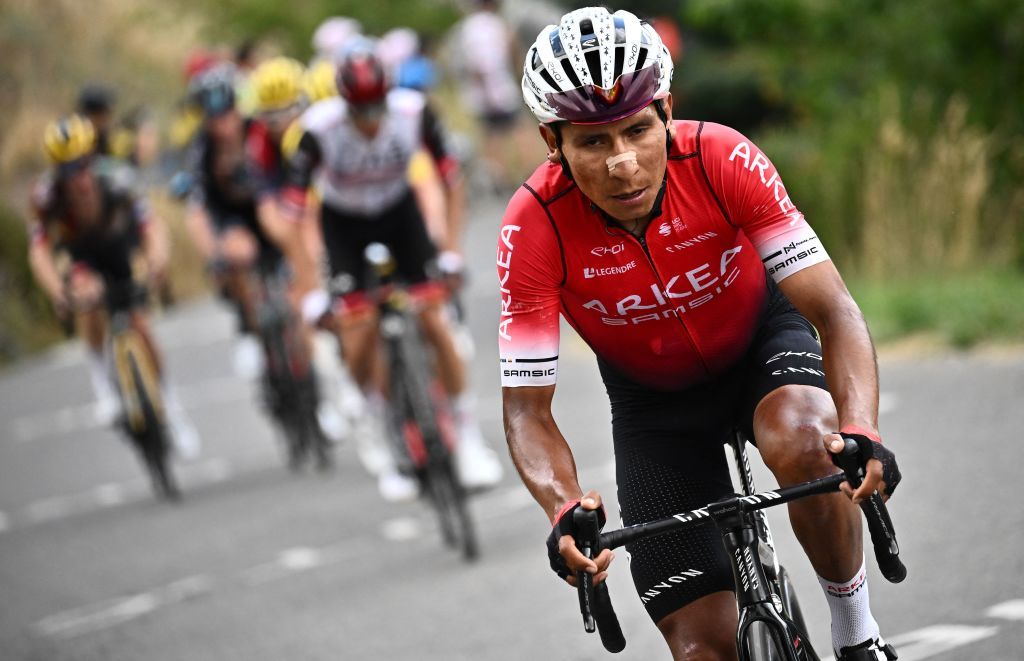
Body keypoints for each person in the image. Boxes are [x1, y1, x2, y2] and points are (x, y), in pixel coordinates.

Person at [499, 8, 901, 661]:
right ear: (554, 142)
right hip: (655, 406)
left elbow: (835, 310)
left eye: (636, 130)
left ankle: (856, 631)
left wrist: (861, 428)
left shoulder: (721, 156)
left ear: (666, 111)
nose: (623, 163)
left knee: (808, 442)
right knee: (702, 650)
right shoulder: (534, 224)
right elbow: (526, 409)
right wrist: (563, 506)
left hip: (761, 345)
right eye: (593, 142)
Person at [282, 41, 503, 500]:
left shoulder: (415, 112)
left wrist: (451, 251)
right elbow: (296, 214)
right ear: (343, 102)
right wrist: (311, 286)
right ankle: (385, 435)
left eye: (375, 106)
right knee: (357, 330)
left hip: (400, 215)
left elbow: (450, 180)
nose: (368, 119)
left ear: (389, 94)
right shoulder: (318, 130)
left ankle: (466, 439)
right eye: (358, 109)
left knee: (435, 318)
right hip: (344, 227)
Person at [27, 115, 200, 458]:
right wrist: (57, 292)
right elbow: (40, 252)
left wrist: (157, 262)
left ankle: (172, 409)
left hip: (119, 249)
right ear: (57, 170)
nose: (79, 177)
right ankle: (103, 385)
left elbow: (153, 229)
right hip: (82, 258)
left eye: (84, 164)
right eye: (68, 169)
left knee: (141, 325)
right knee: (87, 297)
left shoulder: (118, 179)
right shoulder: (47, 197)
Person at [182, 65, 282, 378]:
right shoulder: (202, 149)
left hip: (271, 207)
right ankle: (249, 330)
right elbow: (197, 209)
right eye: (213, 118)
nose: (223, 124)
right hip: (232, 219)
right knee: (238, 255)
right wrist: (214, 256)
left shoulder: (261, 131)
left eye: (227, 113)